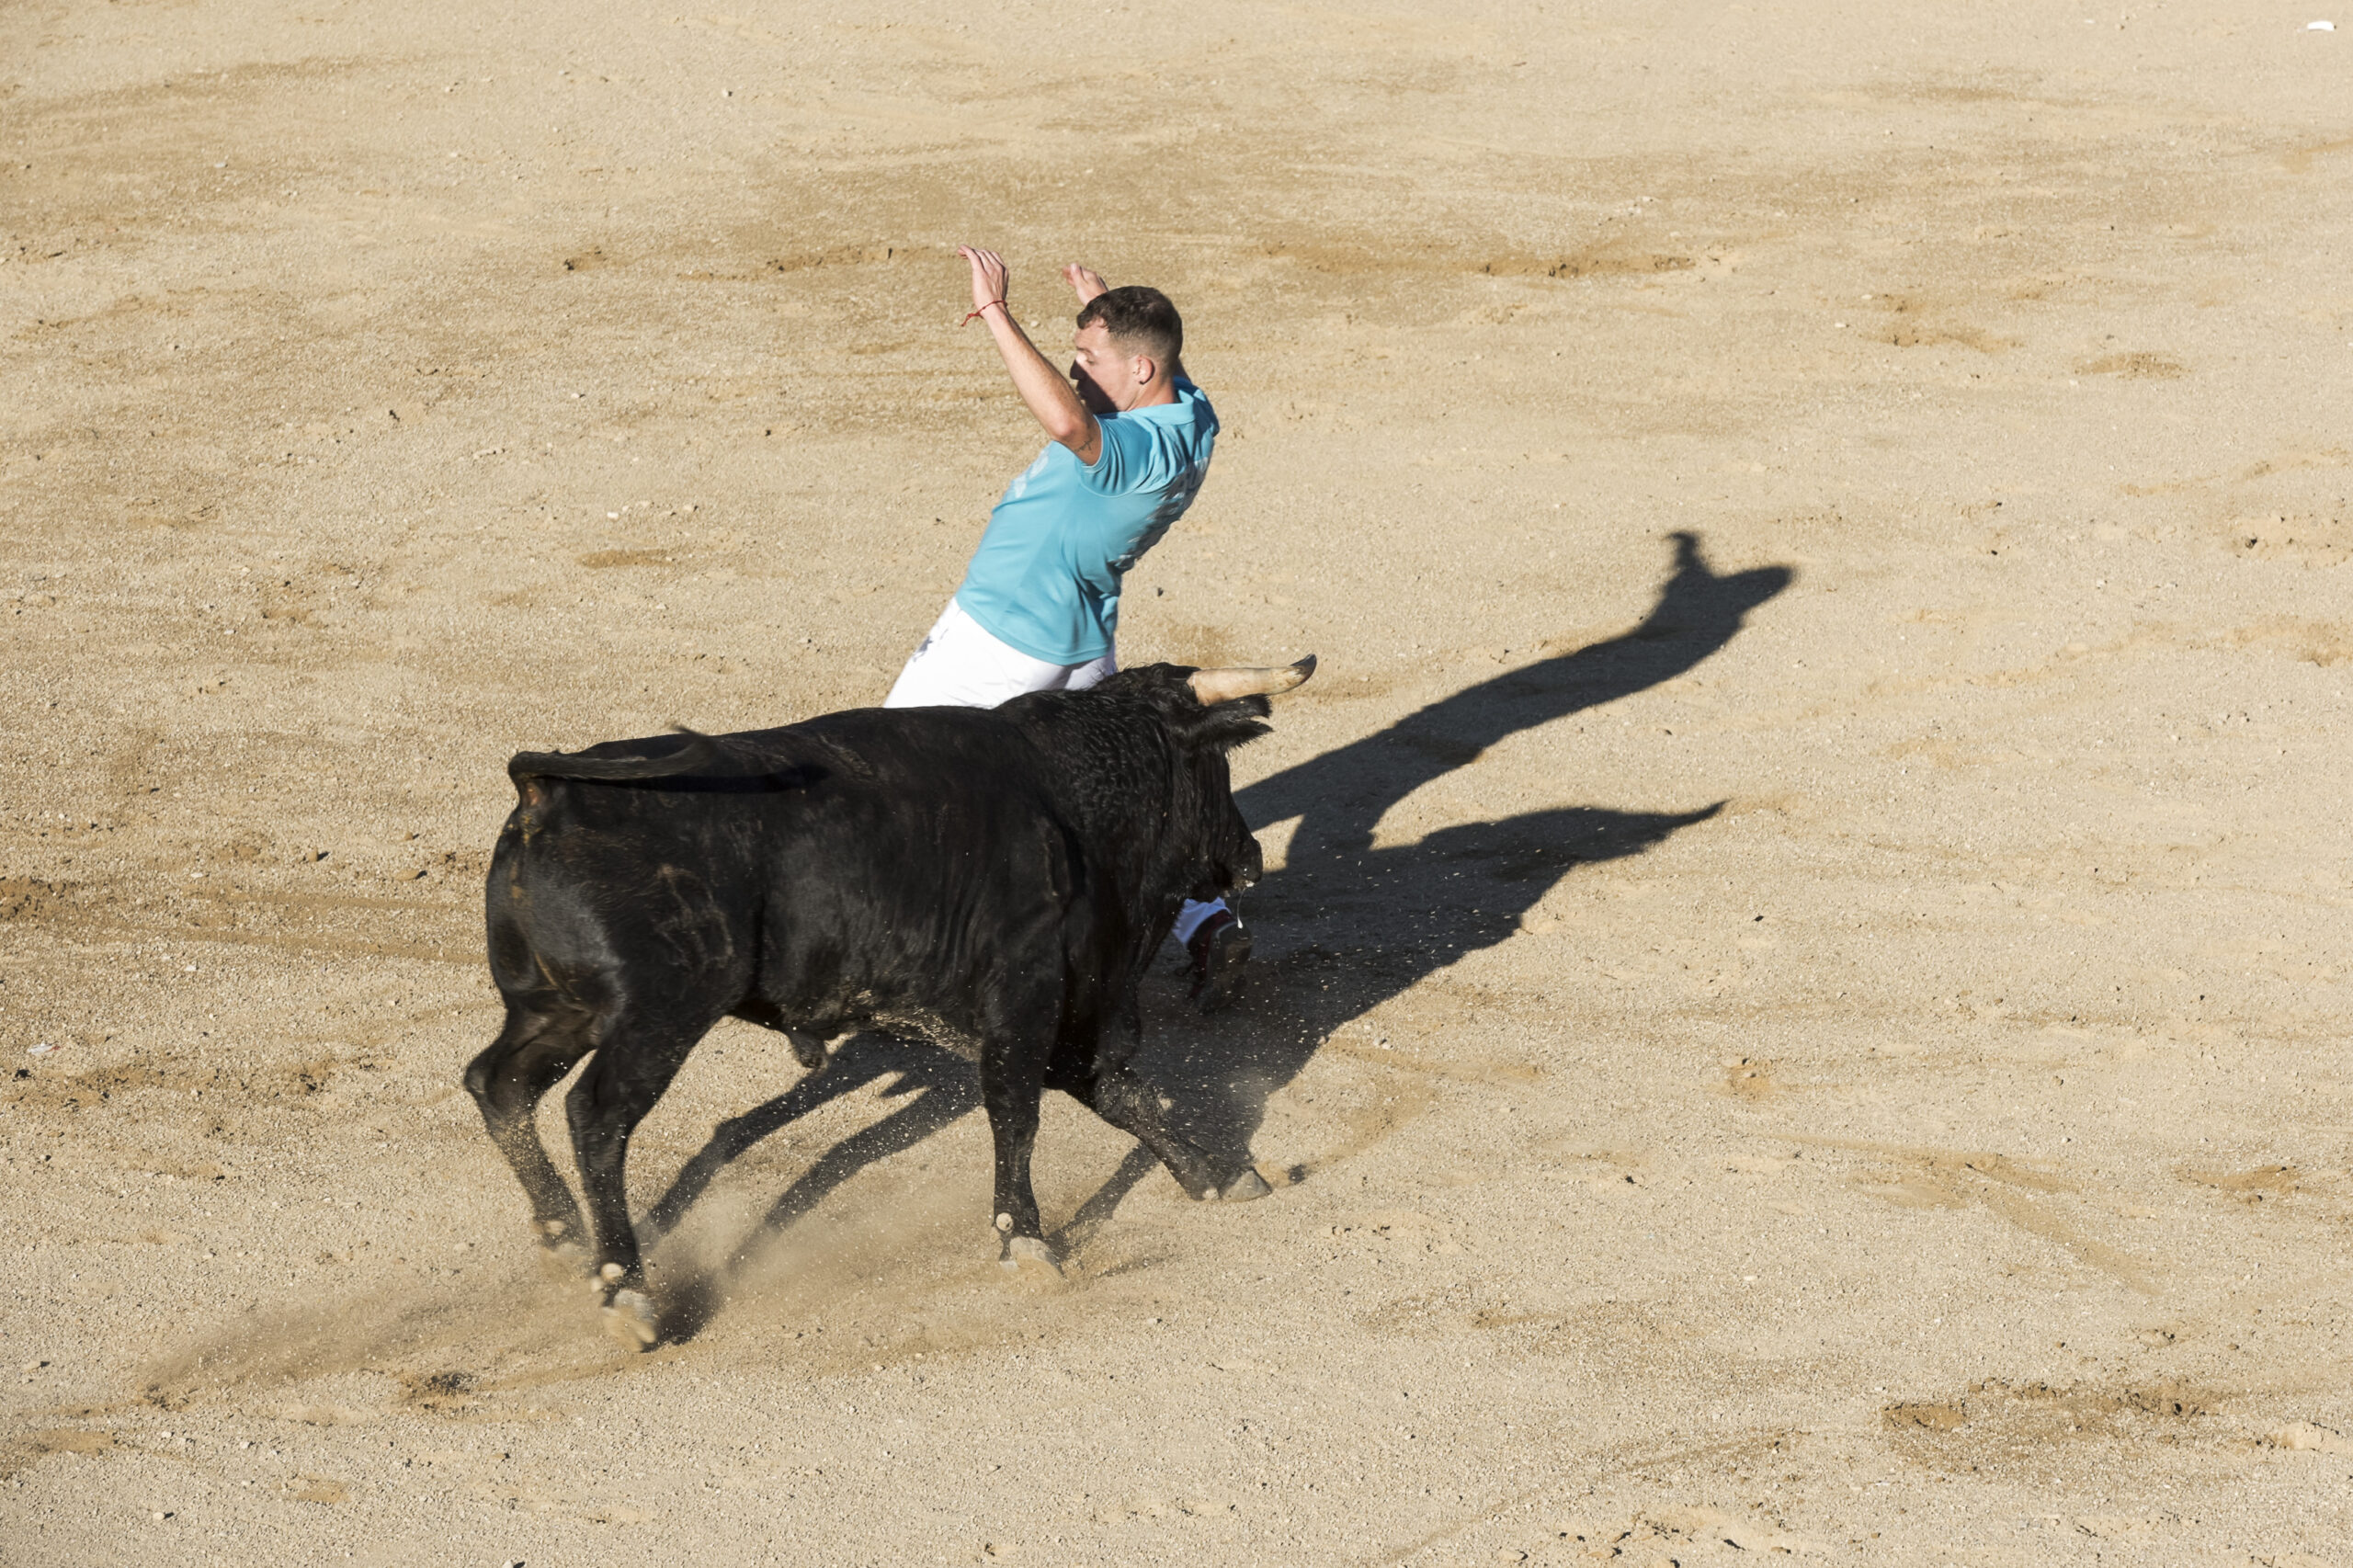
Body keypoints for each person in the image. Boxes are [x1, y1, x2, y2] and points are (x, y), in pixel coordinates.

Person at [883, 246, 1250, 1009]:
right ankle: (1206, 922)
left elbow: (1065, 419)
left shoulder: (1129, 452)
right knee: (1101, 806)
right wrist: (1109, 307)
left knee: (889, 785)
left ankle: (909, 969)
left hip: (1000, 638)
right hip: (1084, 638)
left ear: (1139, 371)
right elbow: (1144, 363)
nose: (1076, 367)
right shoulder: (1193, 415)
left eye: (1088, 355)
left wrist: (995, 313)